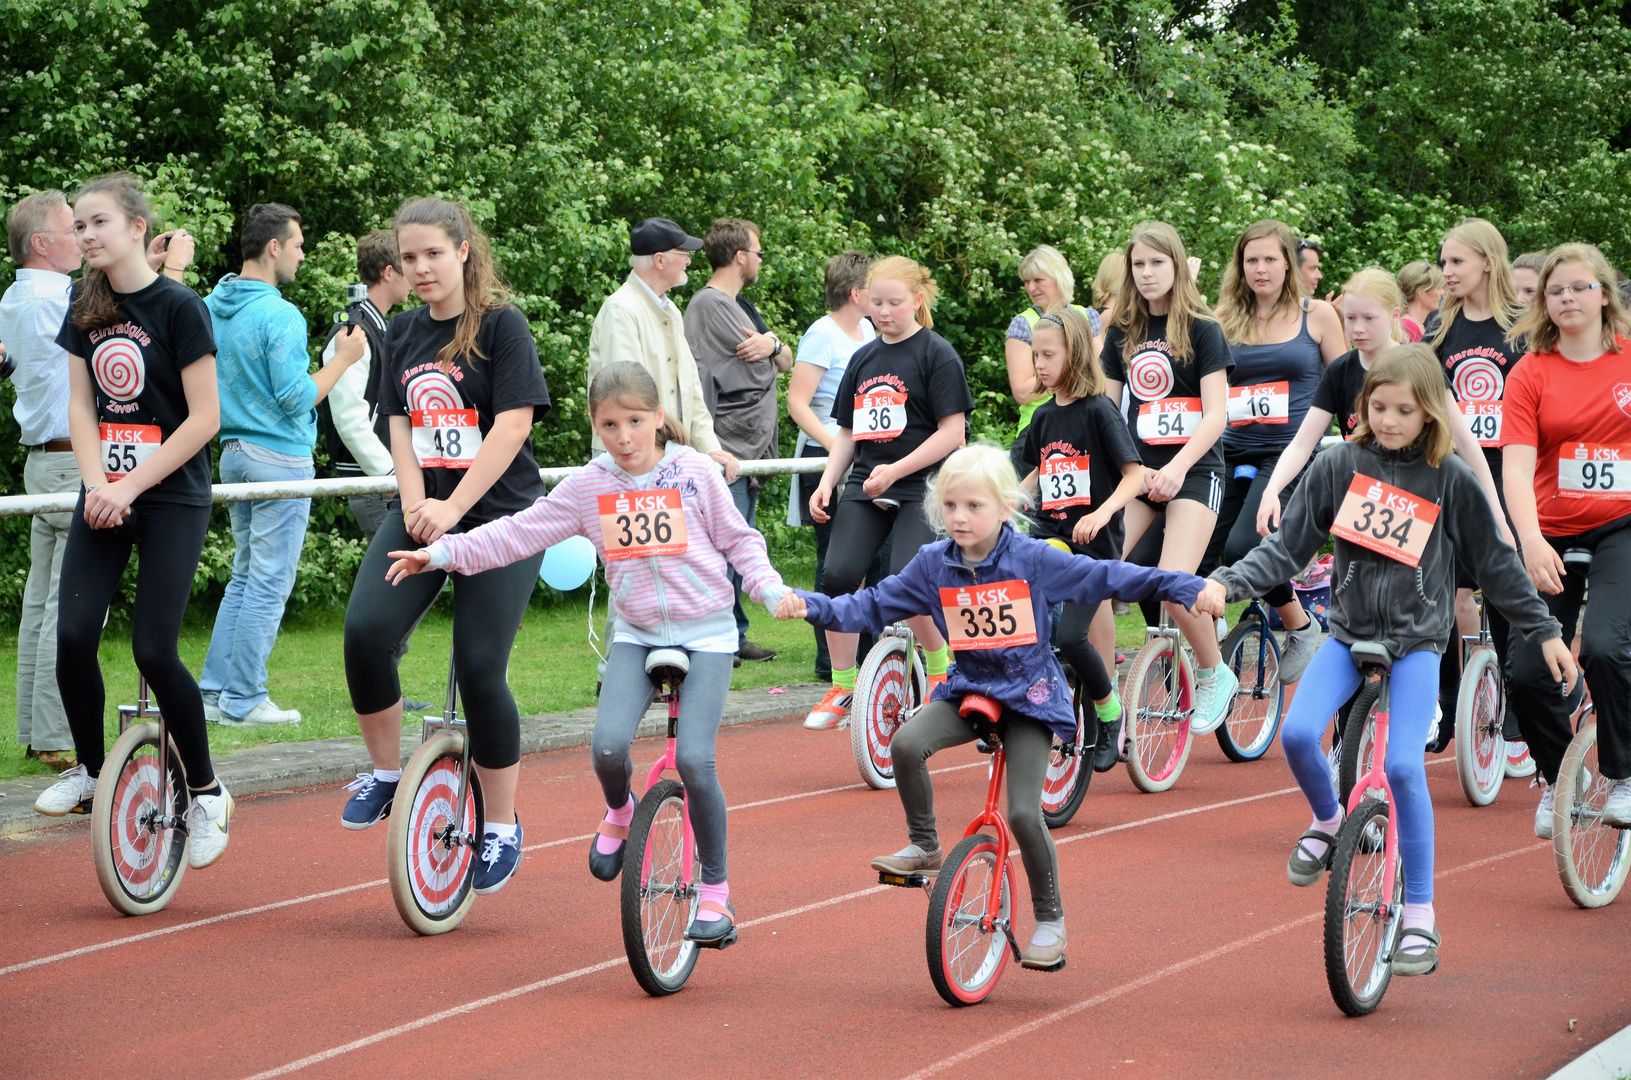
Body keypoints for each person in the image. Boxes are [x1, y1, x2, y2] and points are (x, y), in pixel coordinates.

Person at [1196, 345, 1574, 977]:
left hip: (1418, 642)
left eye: (1405, 409)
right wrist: (1226, 583)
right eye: (1379, 406)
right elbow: (1286, 549)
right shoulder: (1339, 465)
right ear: (1363, 406)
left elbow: (1499, 571)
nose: (1391, 419)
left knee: (1402, 767)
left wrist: (1545, 632)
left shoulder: (1449, 477)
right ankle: (1327, 818)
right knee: (1294, 734)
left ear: (1431, 414)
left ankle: (1421, 914)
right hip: (1346, 635)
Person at [388, 362, 789, 943]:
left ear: (657, 419)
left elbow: (740, 541)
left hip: (706, 634)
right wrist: (442, 554)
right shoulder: (588, 486)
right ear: (595, 428)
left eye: (634, 421)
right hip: (637, 632)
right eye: (608, 425)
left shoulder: (696, 474)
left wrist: (769, 588)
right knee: (605, 747)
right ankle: (621, 811)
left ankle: (717, 893)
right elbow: (515, 534)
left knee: (697, 762)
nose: (623, 437)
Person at [778, 445, 1205, 969]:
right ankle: (925, 845)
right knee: (906, 743)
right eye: (951, 505)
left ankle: (1050, 919)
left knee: (1024, 812)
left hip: (1030, 697)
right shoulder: (932, 565)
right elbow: (868, 604)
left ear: (1005, 509)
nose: (960, 517)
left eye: (974, 506)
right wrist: (811, 604)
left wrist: (1185, 585)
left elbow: (1110, 577)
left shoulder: (1033, 559)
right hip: (970, 688)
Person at [338, 197, 552, 898]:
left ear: (463, 250)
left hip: (498, 520)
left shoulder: (501, 326)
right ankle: (387, 772)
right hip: (423, 509)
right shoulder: (400, 332)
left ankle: (500, 826)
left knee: (479, 665)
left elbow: (512, 426)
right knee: (367, 630)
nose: (421, 267)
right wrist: (412, 504)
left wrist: (456, 507)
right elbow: (398, 424)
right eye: (408, 258)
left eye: (433, 253)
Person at [31, 173, 235, 868]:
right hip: (105, 490)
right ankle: (93, 770)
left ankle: (206, 792)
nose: (85, 235)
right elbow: (82, 407)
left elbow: (205, 419)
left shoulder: (180, 307)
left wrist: (131, 486)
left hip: (171, 496)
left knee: (154, 649)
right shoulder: (84, 302)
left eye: (97, 223)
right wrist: (97, 483)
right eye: (77, 226)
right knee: (73, 632)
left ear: (137, 228)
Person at [199, 204, 365, 727]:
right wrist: (342, 359)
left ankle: (214, 690)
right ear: (274, 246)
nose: (301, 253)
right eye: (297, 244)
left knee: (245, 576)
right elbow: (297, 399)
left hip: (232, 455)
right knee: (267, 582)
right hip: (278, 457)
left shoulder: (209, 305)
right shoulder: (280, 314)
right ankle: (244, 699)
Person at [801, 256, 969, 731]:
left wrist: (896, 469)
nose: (884, 312)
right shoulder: (862, 358)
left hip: (922, 484)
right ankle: (842, 683)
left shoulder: (937, 354)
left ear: (917, 300)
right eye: (876, 303)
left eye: (895, 303)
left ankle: (940, 670)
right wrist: (828, 482)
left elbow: (952, 433)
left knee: (903, 579)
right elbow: (849, 433)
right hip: (867, 481)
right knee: (836, 576)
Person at [1501, 243, 1631, 833]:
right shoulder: (1531, 371)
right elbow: (1516, 466)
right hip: (1550, 530)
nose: (1568, 298)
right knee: (1526, 673)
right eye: (1556, 291)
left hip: (1622, 528)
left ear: (1604, 293)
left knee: (1604, 647)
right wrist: (1527, 539)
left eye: (1580, 287)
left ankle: (1624, 775)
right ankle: (1558, 780)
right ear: (1544, 303)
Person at [1099, 221, 1238, 734]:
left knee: (1174, 584)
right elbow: (1107, 410)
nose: (1148, 273)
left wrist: (1177, 468)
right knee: (1094, 575)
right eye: (1139, 264)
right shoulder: (1121, 332)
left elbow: (1216, 415)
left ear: (1177, 266)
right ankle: (1101, 688)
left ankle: (1214, 672)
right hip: (1140, 473)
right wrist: (1120, 478)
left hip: (1195, 471)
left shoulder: (1203, 328)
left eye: (1157, 263)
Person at [1258, 268, 1506, 533]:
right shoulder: (1339, 371)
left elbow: (1465, 442)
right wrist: (1272, 489)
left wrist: (1496, 513)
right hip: (1366, 502)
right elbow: (1301, 444)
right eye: (1350, 318)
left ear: (1394, 316)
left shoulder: (1421, 365)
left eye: (1369, 318)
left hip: (1421, 497)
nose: (1358, 328)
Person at [1206, 220, 1346, 683]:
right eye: (1251, 260)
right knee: (1202, 552)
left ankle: (1299, 625)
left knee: (1246, 545)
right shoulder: (1223, 319)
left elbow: (1347, 385)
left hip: (1290, 453)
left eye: (1270, 259)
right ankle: (1206, 664)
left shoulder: (1319, 315)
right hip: (1229, 448)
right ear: (1239, 267)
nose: (1261, 269)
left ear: (1288, 262)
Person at [1015, 306, 1144, 770]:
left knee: (1072, 637)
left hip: (1093, 545)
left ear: (1075, 354)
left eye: (1049, 355)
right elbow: (1038, 469)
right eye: (1036, 356)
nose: (1041, 365)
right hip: (1052, 535)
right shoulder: (1045, 416)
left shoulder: (1099, 411)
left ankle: (1111, 716)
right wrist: (1007, 499)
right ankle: (1014, 705)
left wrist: (1103, 512)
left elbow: (1135, 476)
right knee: (1017, 612)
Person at [1427, 218, 1528, 750]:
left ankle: (1515, 704)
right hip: (1452, 480)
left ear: (1488, 261)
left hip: (1511, 478)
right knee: (1442, 591)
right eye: (1443, 262)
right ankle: (1445, 705)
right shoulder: (1438, 331)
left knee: (1508, 594)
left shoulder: (1523, 329)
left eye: (1457, 262)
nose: (1447, 272)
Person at [684, 217, 795, 665]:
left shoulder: (744, 306)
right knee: (718, 550)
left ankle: (734, 633)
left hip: (749, 450)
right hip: (724, 444)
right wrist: (770, 354)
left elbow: (784, 360)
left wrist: (771, 344)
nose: (761, 261)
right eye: (759, 252)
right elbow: (746, 376)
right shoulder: (709, 306)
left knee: (739, 544)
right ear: (740, 257)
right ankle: (716, 637)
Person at [1, 190, 83, 770]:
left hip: (42, 459)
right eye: (71, 230)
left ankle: (38, 729)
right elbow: (115, 311)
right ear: (41, 244)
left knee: (41, 600)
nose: (82, 239)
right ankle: (56, 734)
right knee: (67, 602)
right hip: (71, 459)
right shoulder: (55, 297)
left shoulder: (15, 296)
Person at [586, 216, 736, 479]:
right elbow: (626, 399)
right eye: (684, 254)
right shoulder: (620, 310)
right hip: (628, 463)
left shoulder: (671, 311)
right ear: (659, 260)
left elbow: (692, 391)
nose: (689, 261)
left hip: (666, 459)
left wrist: (710, 448)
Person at [786, 251, 877, 680]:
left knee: (872, 556)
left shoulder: (870, 330)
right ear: (856, 292)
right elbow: (797, 403)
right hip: (826, 457)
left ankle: (870, 653)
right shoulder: (821, 334)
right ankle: (830, 660)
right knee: (834, 561)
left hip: (864, 456)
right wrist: (837, 450)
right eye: (874, 289)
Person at [320, 228, 414, 539]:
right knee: (409, 579)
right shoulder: (355, 332)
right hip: (376, 482)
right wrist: (389, 477)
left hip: (383, 479)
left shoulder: (374, 327)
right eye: (408, 262)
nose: (416, 275)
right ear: (389, 272)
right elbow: (349, 419)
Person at [1002, 245, 1103, 472]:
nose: (1031, 287)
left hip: (1088, 423)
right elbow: (1022, 391)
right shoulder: (1023, 323)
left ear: (1059, 277)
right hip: (1038, 429)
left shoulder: (1088, 317)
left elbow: (1102, 374)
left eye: (1038, 280)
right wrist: (1072, 380)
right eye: (1027, 281)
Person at [1397, 260, 1447, 344]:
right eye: (1438, 288)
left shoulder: (1417, 324)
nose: (1442, 292)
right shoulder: (1407, 327)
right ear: (1422, 293)